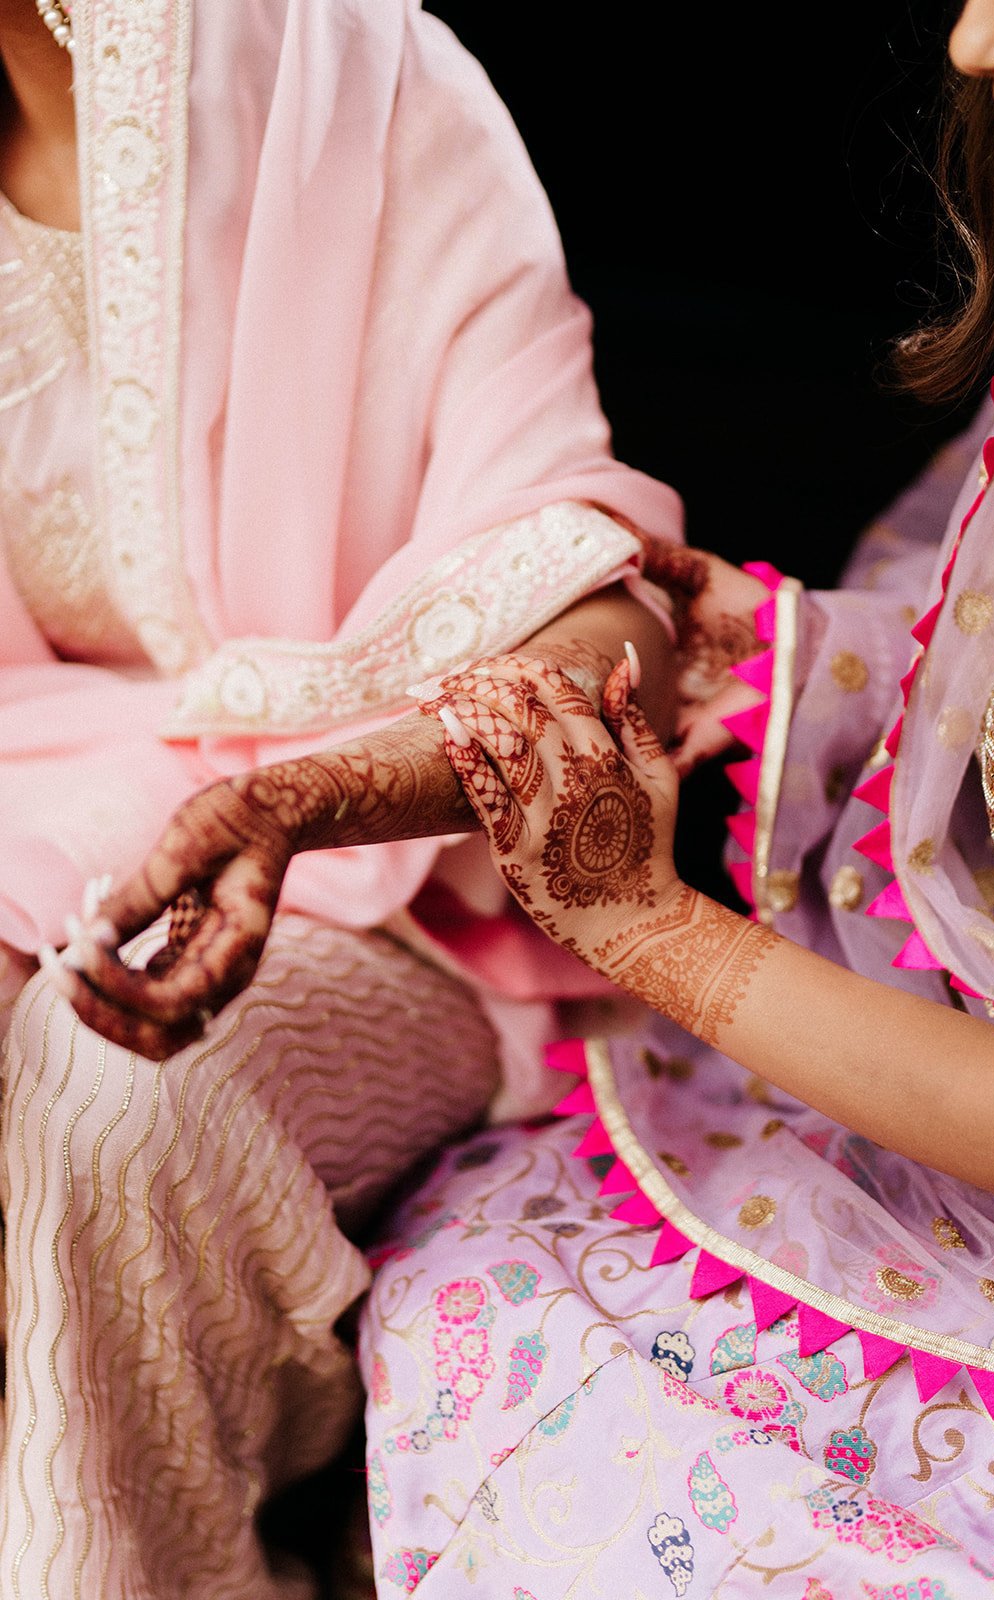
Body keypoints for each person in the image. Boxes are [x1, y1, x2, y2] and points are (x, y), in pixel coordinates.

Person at [333, 0, 994, 1592]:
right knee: (481, 1298)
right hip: (956, 1139)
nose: (972, 44)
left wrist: (652, 932)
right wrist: (795, 643)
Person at [0, 1, 707, 1594]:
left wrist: (292, 803)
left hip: (409, 900)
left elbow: (601, 623)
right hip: (36, 832)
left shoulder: (356, 72)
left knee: (110, 1090)